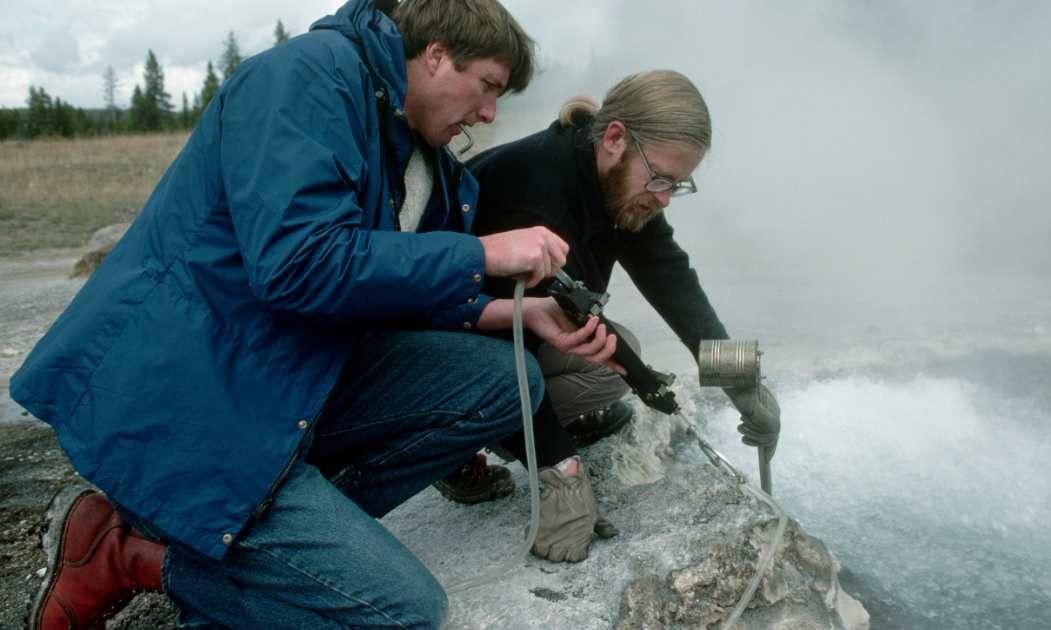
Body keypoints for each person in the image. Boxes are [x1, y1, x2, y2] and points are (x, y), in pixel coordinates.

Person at [11, 1, 618, 628]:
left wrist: (515, 314)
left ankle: (273, 552)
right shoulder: (304, 79)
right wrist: (481, 250)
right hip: (190, 402)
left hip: (287, 379)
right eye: (487, 86)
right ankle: (134, 556)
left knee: (499, 380)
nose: (490, 112)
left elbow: (389, 286)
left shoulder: (416, 149)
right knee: (401, 612)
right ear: (435, 54)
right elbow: (297, 263)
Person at [451, 69, 782, 502]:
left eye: (677, 185)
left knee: (618, 357)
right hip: (450, 345)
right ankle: (455, 448)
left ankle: (509, 428)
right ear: (614, 138)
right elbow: (513, 352)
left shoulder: (619, 182)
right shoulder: (537, 187)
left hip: (516, 331)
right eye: (661, 178)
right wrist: (560, 473)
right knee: (558, 368)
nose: (664, 198)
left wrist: (742, 380)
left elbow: (672, 280)